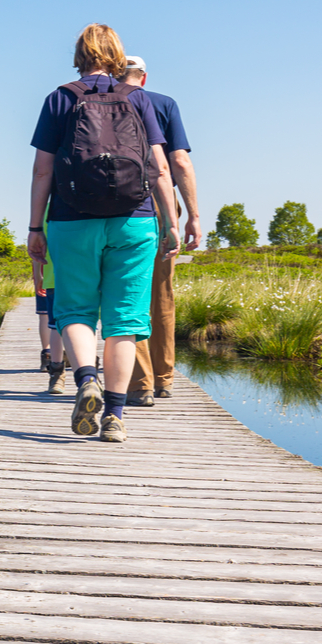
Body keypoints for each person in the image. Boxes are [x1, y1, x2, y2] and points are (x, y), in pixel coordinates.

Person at [26, 25, 180, 443]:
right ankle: (114, 416)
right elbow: (160, 168)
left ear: (79, 54)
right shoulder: (140, 98)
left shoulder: (60, 97)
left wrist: (35, 226)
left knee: (74, 310)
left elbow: (42, 170)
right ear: (117, 55)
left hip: (71, 219)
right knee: (124, 322)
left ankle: (86, 379)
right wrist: (171, 224)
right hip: (135, 219)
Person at [119, 56, 201, 405]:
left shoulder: (101, 100)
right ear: (144, 76)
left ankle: (139, 383)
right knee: (161, 293)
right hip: (161, 204)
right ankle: (164, 379)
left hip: (118, 210)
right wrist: (192, 215)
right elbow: (179, 162)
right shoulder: (164, 104)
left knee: (127, 294)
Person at [31, 238, 66, 387]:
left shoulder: (44, 221)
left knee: (46, 317)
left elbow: (36, 254)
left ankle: (48, 355)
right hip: (78, 277)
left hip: (48, 276)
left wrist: (37, 276)